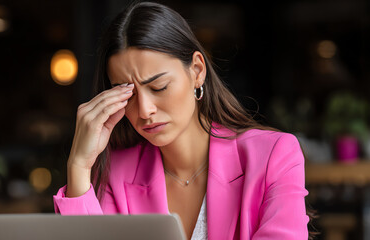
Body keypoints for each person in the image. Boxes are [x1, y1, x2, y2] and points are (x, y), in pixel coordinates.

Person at [53, 2, 312, 239]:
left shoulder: (272, 155)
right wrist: (79, 165)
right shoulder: (116, 173)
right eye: (127, 94)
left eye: (159, 87)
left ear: (197, 71)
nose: (144, 110)